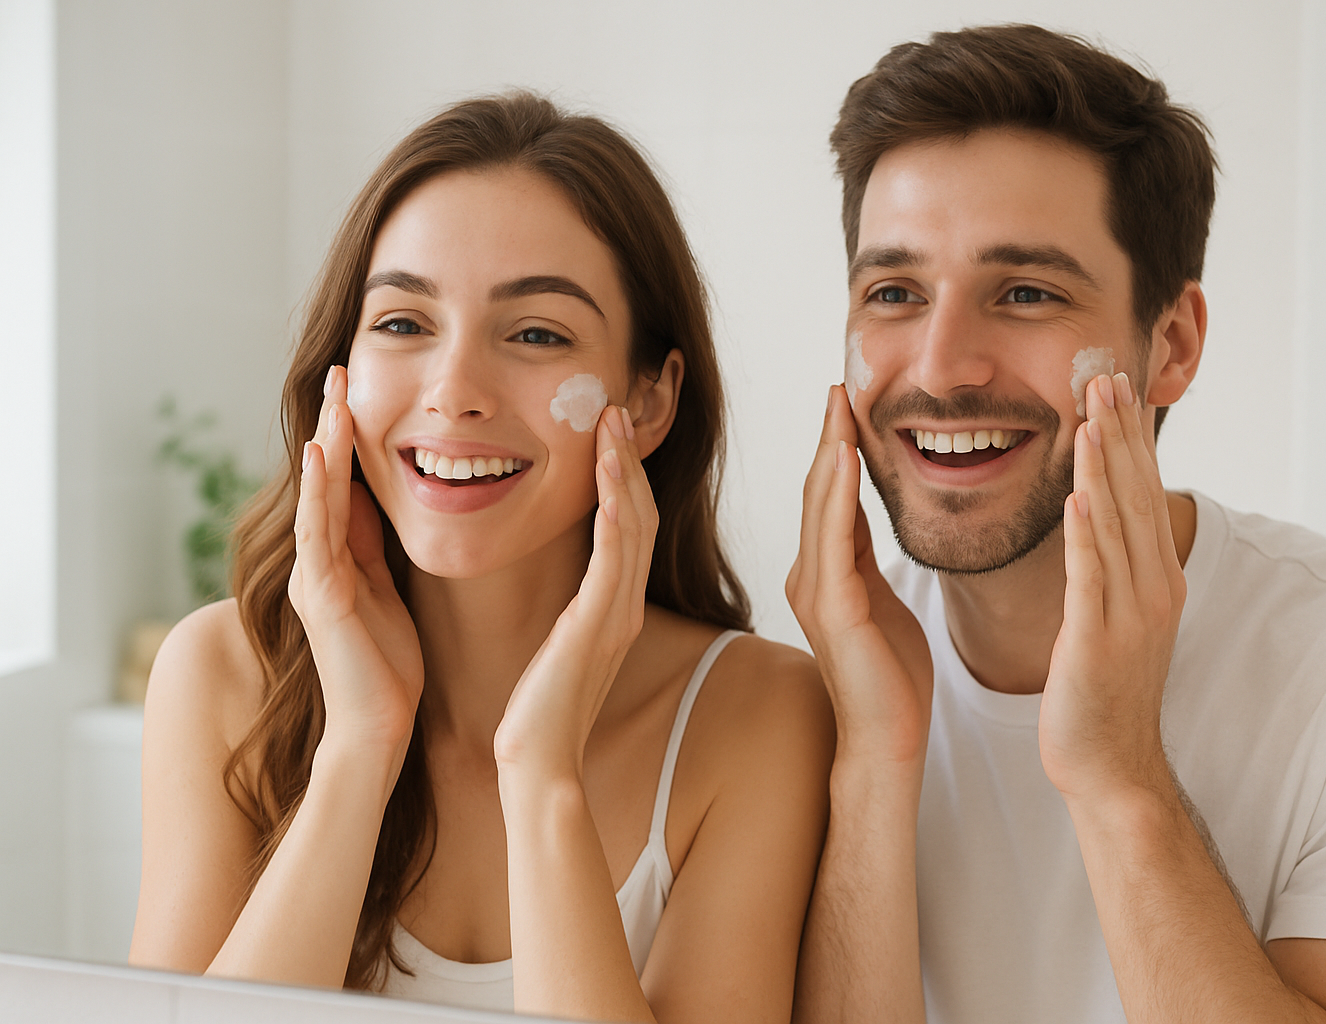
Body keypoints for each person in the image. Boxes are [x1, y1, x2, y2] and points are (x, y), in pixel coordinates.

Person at [128, 92, 833, 1024]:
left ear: (652, 400)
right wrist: (358, 749)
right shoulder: (220, 676)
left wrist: (542, 776)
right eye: (402, 324)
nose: (454, 391)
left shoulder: (757, 716)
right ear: (341, 370)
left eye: (538, 334)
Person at [788, 25, 1326, 1024]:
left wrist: (1118, 773)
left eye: (1026, 292)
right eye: (894, 292)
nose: (940, 365)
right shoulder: (811, 661)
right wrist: (873, 762)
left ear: (1170, 344)